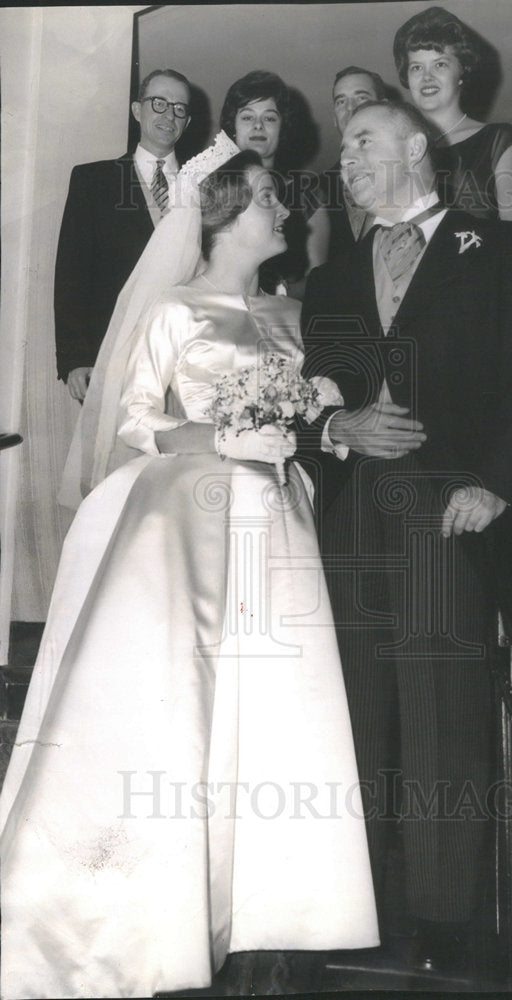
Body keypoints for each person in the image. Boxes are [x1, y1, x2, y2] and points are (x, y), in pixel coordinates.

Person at [0, 141, 379, 999]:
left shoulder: (293, 311)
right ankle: (144, 909)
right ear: (226, 212)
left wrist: (321, 425)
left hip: (278, 514)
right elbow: (136, 417)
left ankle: (271, 910)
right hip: (192, 514)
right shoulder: (173, 309)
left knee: (280, 709)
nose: (286, 212)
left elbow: (314, 409)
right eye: (269, 200)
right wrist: (215, 437)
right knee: (185, 703)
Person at [300, 100, 512, 973]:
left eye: (362, 139)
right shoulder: (329, 278)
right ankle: (356, 904)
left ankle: (445, 923)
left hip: (447, 504)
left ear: (418, 147)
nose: (346, 156)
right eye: (343, 146)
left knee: (442, 710)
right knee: (356, 712)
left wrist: (495, 484)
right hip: (350, 514)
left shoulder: (506, 251)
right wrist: (338, 432)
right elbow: (312, 398)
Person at [54, 68, 192, 401]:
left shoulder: (204, 185)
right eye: (158, 103)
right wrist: (76, 358)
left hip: (187, 358)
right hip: (113, 355)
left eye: (179, 108)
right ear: (136, 110)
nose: (168, 115)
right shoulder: (94, 181)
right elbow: (72, 273)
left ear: (187, 122)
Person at [393, 6, 512, 221]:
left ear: (462, 72)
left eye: (440, 64)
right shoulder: (396, 148)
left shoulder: (497, 141)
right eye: (417, 67)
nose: (426, 77)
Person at [220, 70, 330, 296]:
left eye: (269, 118)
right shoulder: (210, 186)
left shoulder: (307, 192)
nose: (258, 126)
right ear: (233, 126)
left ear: (282, 128)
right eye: (247, 117)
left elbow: (318, 280)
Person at [321, 66, 387, 258]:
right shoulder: (313, 190)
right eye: (341, 101)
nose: (350, 109)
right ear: (334, 117)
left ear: (385, 108)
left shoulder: (414, 174)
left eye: (361, 98)